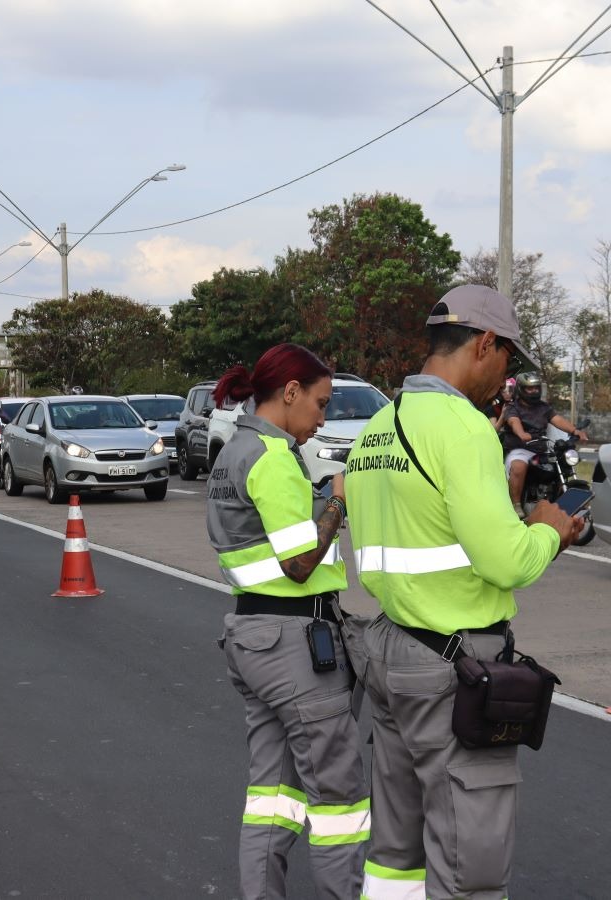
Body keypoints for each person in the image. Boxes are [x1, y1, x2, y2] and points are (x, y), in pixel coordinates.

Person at [346, 284, 582, 900]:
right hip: (454, 667)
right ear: (485, 344)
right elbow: (506, 562)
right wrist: (549, 534)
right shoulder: (464, 428)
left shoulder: (377, 427)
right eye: (509, 362)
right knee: (469, 868)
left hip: (390, 649)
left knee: (396, 850)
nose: (507, 381)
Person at [206, 343, 367, 900]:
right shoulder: (272, 456)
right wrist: (336, 503)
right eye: (320, 403)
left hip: (251, 634)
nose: (323, 418)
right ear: (291, 392)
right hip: (296, 643)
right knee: (338, 801)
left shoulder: (234, 451)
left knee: (271, 798)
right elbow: (300, 564)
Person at [503, 370, 589, 517]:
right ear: (521, 389)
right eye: (530, 388)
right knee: (519, 466)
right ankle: (516, 505)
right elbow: (513, 421)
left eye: (536, 387)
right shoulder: (513, 407)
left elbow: (557, 420)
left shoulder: (543, 407)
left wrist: (575, 431)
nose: (534, 391)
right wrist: (522, 433)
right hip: (519, 449)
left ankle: (554, 501)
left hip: (540, 449)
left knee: (559, 464)